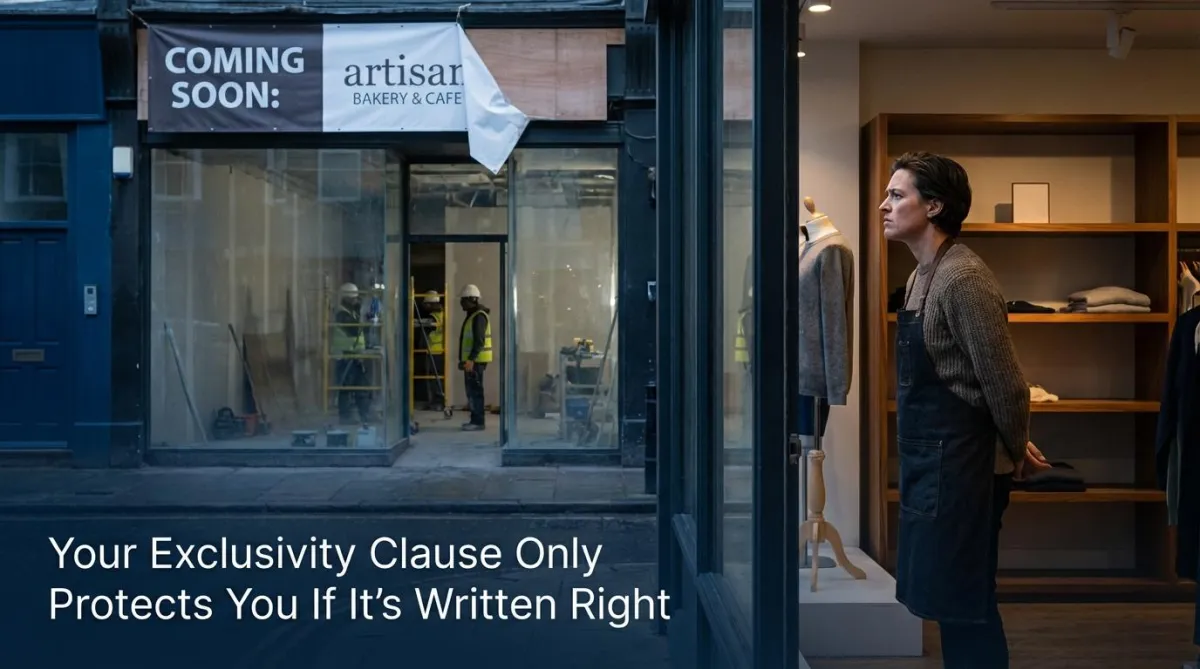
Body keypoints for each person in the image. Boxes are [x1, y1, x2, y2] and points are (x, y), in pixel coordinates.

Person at [879, 151, 1050, 669]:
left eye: (897, 195)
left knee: (967, 607)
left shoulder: (964, 279)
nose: (884, 205)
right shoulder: (919, 277)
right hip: (933, 465)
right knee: (949, 603)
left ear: (934, 206)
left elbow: (1006, 385)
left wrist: (1014, 448)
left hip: (965, 469)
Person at [331, 282, 372, 425]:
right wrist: (364, 318)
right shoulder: (341, 314)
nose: (355, 301)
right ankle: (346, 416)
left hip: (355, 356)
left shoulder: (351, 312)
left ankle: (365, 415)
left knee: (362, 387)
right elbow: (354, 330)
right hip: (345, 356)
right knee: (347, 388)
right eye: (353, 298)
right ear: (346, 298)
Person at [457, 284, 492, 431]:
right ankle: (475, 420)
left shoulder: (478, 317)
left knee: (475, 392)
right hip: (473, 361)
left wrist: (471, 359)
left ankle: (478, 422)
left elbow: (479, 341)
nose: (461, 303)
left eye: (463, 300)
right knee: (472, 391)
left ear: (472, 299)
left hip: (475, 361)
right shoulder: (473, 316)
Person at [417, 291, 446, 411]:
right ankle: (435, 401)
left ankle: (437, 402)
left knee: (434, 378)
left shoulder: (435, 316)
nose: (425, 307)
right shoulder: (442, 313)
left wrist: (417, 322)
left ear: (431, 303)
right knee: (435, 378)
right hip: (437, 351)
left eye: (426, 304)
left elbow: (428, 326)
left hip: (435, 351)